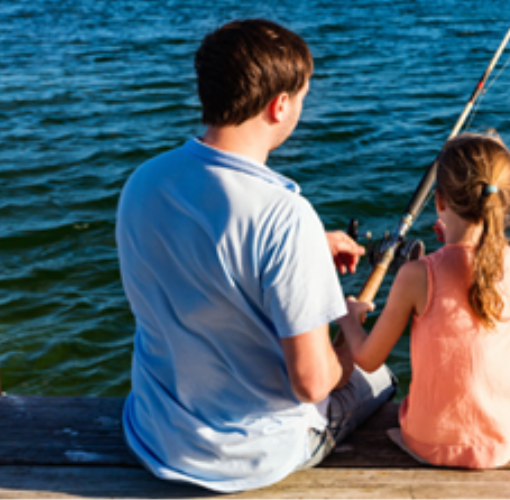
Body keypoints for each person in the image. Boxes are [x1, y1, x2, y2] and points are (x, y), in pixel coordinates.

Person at [116, 19, 394, 492]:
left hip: (154, 434)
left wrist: (309, 250)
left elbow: (208, 254)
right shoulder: (285, 217)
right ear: (279, 105)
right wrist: (350, 340)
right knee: (382, 377)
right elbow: (312, 384)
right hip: (249, 457)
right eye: (303, 97)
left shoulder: (144, 182)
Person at [337, 133, 510, 469]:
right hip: (505, 435)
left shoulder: (416, 275)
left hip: (430, 442)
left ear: (439, 201)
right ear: (504, 202)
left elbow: (367, 359)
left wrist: (350, 318)